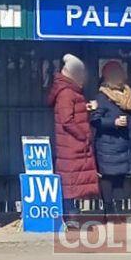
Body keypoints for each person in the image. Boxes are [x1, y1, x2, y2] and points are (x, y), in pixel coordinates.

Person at [46, 53, 100, 219]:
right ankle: (69, 214)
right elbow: (67, 120)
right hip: (72, 145)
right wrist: (84, 135)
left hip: (71, 145)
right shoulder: (66, 93)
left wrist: (85, 107)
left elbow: (70, 113)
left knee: (72, 180)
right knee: (69, 181)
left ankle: (70, 212)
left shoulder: (69, 91)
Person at [90, 60, 131, 216]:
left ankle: (119, 212)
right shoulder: (102, 96)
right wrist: (114, 122)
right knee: (107, 178)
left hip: (123, 145)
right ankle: (109, 212)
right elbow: (95, 120)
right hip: (107, 146)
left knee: (120, 179)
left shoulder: (127, 94)